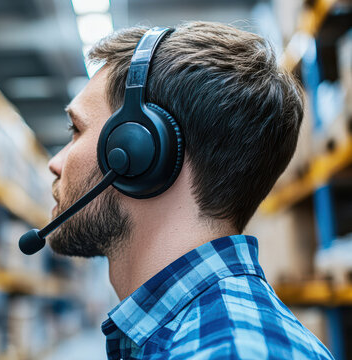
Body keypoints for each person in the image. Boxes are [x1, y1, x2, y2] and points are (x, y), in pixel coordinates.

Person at [46, 22, 334, 359]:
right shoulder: (201, 337)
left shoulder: (226, 351)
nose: (55, 162)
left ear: (138, 152)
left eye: (76, 129)